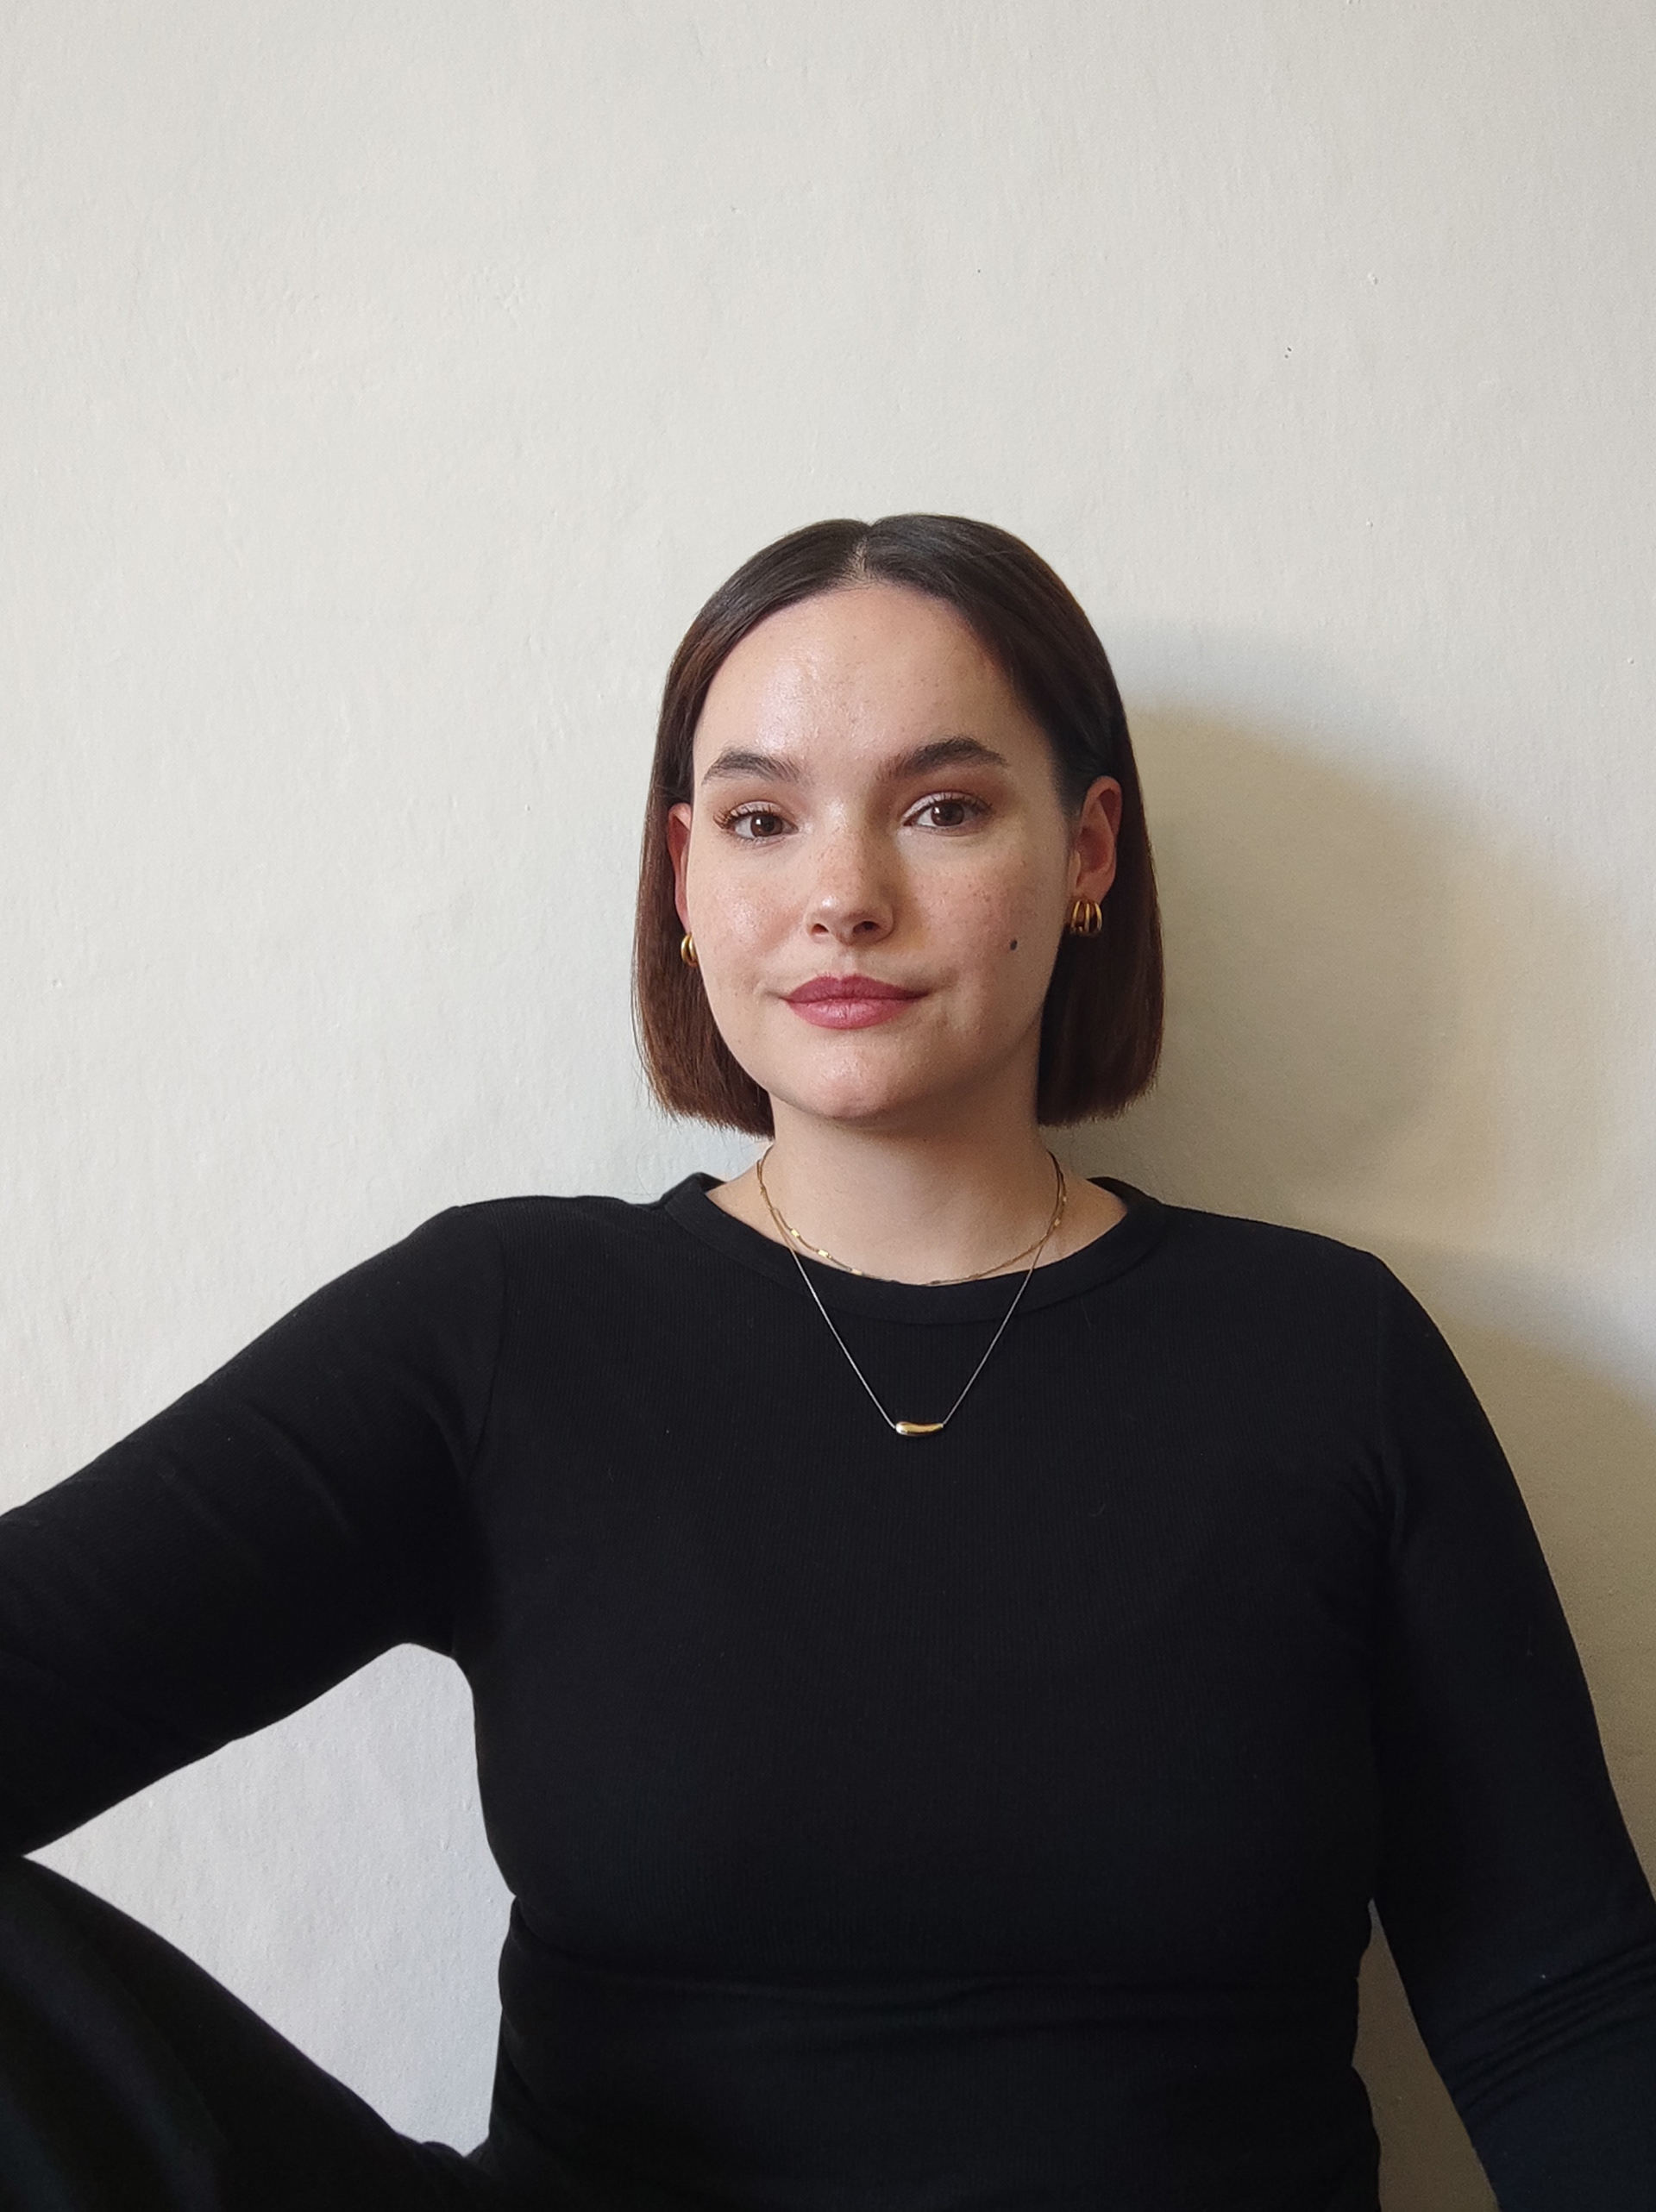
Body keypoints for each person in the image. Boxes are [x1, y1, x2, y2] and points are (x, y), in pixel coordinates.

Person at [2, 515, 1653, 2212]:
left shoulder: (1324, 1357)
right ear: (683, 876)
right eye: (760, 818)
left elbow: (1567, 2014)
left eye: (942, 808)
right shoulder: (503, 1327)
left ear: (1089, 848)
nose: (842, 896)